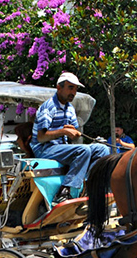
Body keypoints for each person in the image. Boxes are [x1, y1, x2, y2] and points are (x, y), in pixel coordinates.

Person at [31, 72, 108, 205]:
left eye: (75, 89)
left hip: (61, 148)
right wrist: (64, 131)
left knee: (103, 150)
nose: (74, 92)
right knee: (84, 151)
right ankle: (65, 191)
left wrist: (73, 133)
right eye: (70, 88)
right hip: (45, 149)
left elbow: (73, 135)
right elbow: (41, 137)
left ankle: (90, 186)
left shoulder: (70, 109)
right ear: (59, 88)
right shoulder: (49, 107)